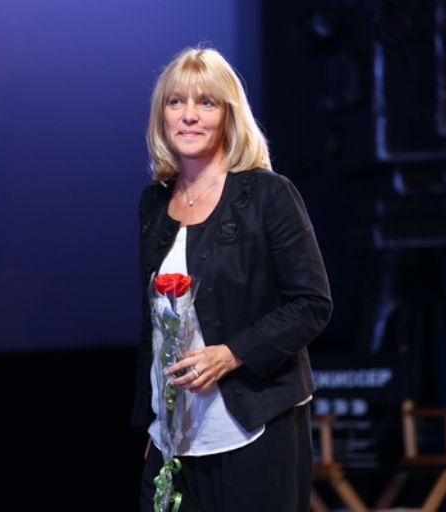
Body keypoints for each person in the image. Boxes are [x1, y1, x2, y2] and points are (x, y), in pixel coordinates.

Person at [132, 45, 332, 512]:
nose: (189, 115)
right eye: (176, 101)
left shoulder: (268, 194)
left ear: (228, 115)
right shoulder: (154, 202)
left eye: (206, 102)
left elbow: (311, 304)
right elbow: (154, 324)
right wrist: (154, 422)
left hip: (253, 428)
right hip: (173, 440)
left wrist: (231, 354)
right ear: (162, 115)